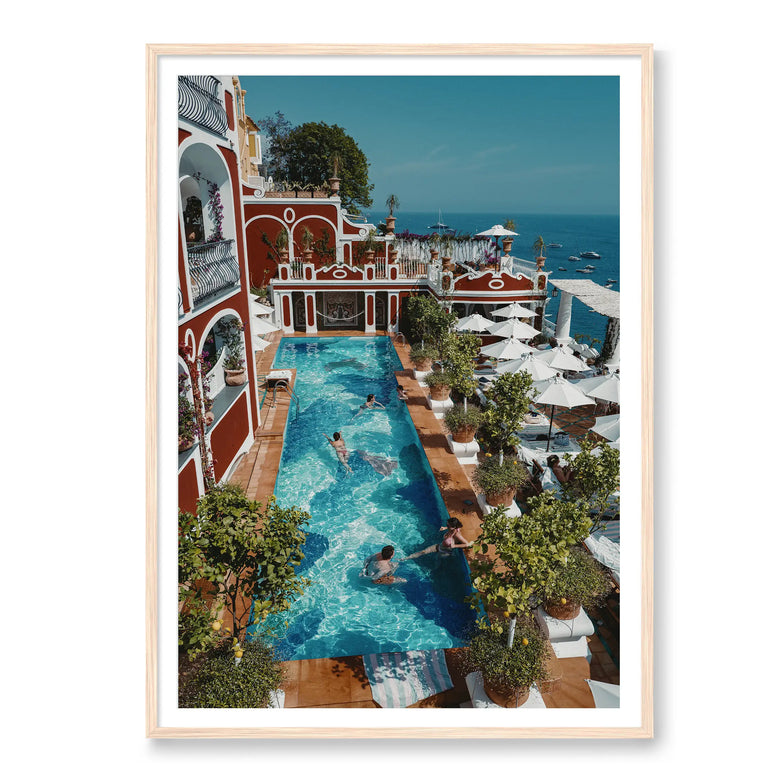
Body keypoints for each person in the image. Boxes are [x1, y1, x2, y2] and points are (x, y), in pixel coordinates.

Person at [403, 517, 473, 560]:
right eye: (446, 524)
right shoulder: (453, 528)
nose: (446, 526)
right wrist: (445, 528)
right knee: (423, 551)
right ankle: (406, 558)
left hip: (445, 552)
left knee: (437, 563)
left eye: (448, 525)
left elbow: (467, 544)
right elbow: (457, 527)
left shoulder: (457, 534)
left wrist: (454, 546)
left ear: (454, 527)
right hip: (439, 546)